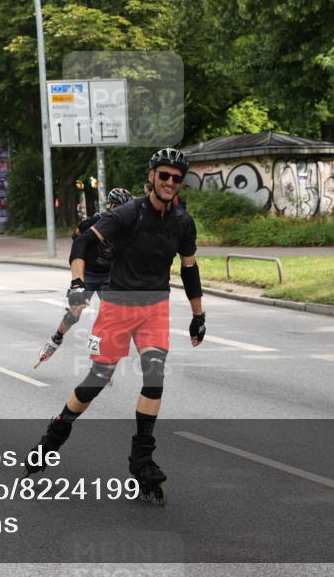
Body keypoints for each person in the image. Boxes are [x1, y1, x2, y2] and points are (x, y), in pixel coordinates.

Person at [23, 149, 207, 506]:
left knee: (154, 377)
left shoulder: (183, 222)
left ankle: (142, 461)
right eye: (164, 175)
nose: (170, 182)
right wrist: (77, 284)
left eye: (176, 178)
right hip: (118, 306)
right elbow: (82, 243)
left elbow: (189, 269)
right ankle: (52, 438)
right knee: (95, 381)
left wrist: (198, 315)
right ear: (152, 176)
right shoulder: (128, 213)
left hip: (155, 308)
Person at [36, 187, 133, 367]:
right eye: (119, 207)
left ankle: (96, 353)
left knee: (111, 315)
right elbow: (77, 237)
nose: (122, 212)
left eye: (126, 208)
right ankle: (56, 339)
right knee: (75, 312)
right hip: (88, 273)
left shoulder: (128, 226)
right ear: (111, 206)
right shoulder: (97, 220)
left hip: (108, 275)